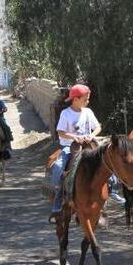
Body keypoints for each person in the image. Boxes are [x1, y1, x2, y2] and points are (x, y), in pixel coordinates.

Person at [48, 84, 102, 222]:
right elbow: (60, 131)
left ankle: (109, 194)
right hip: (69, 146)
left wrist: (91, 135)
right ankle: (57, 201)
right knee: (59, 168)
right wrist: (74, 137)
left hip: (89, 145)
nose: (87, 101)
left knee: (106, 163)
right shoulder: (66, 113)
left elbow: (98, 127)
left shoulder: (88, 112)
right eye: (85, 99)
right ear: (76, 99)